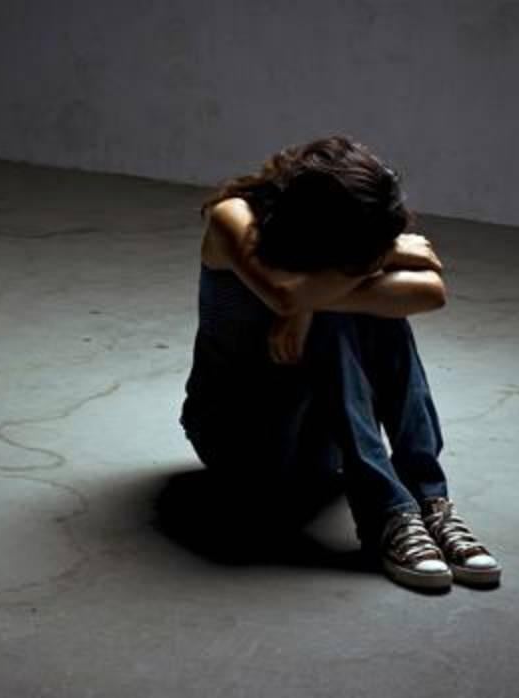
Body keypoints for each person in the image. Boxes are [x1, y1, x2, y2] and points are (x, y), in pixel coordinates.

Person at [178, 135, 501, 591]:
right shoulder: (232, 216)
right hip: (241, 440)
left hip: (318, 441)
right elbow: (285, 293)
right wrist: (382, 257)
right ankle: (387, 516)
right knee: (340, 313)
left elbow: (432, 291)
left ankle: (430, 502)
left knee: (365, 312)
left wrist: (312, 303)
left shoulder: (336, 244)